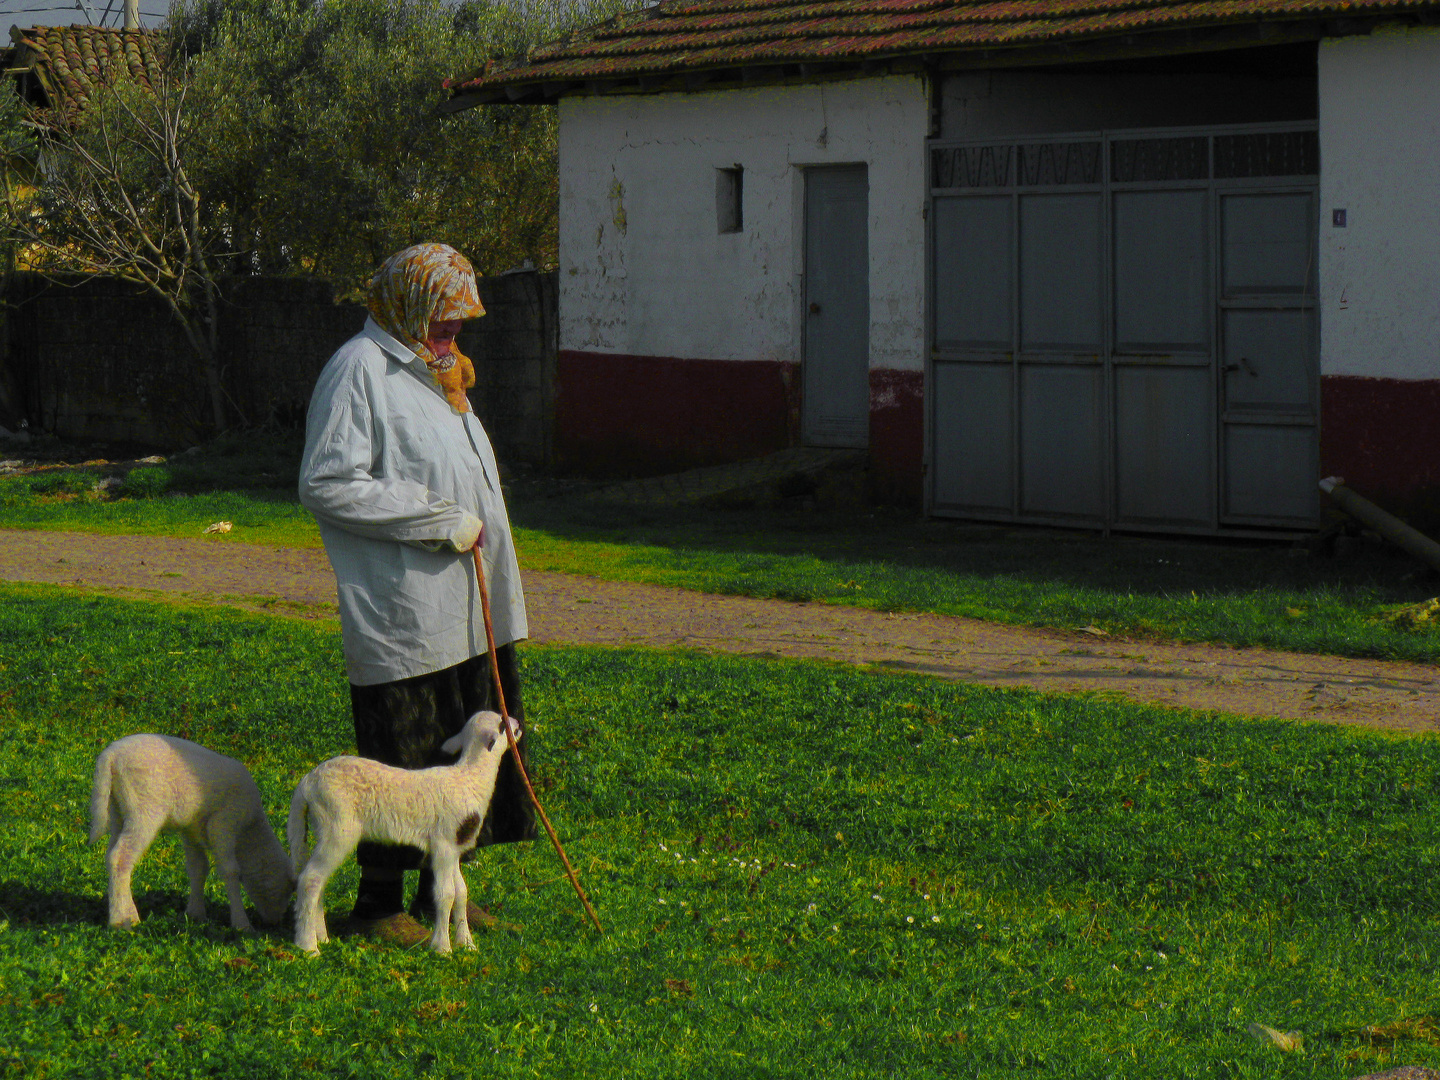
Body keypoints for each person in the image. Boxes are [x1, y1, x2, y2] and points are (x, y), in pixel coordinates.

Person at [298, 243, 534, 944]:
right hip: (404, 609)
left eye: (461, 319)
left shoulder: (439, 375)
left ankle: (445, 892)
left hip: (467, 605)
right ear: (403, 304)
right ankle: (377, 906)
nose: (452, 330)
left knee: (460, 747)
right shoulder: (357, 372)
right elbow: (328, 482)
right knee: (402, 755)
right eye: (442, 316)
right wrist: (439, 521)